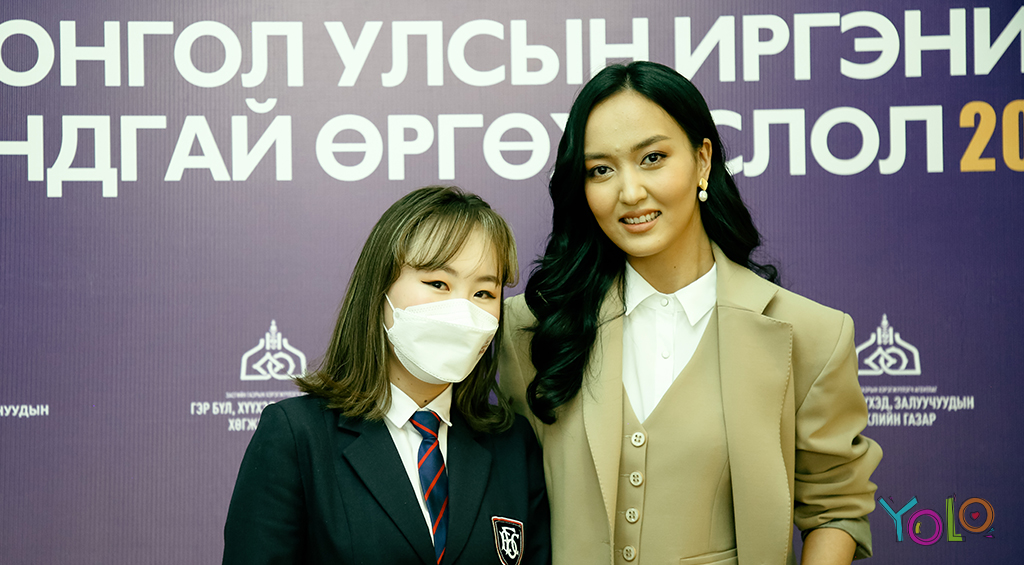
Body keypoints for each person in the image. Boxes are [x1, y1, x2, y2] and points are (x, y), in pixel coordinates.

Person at [498, 62, 882, 565]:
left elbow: (835, 508)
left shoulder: (808, 334)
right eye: (601, 170)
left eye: (652, 158)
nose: (630, 192)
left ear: (702, 161)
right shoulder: (529, 329)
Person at [224, 186, 551, 565]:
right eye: (438, 284)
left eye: (483, 293)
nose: (462, 311)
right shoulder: (298, 437)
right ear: (380, 289)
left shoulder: (513, 445)